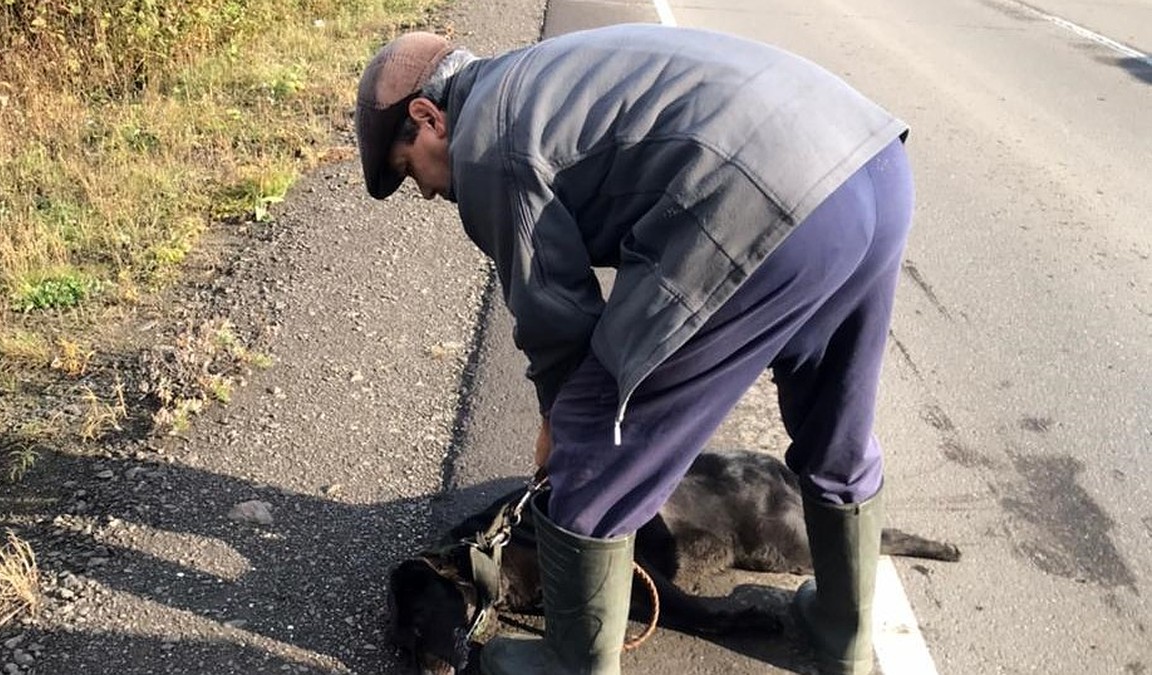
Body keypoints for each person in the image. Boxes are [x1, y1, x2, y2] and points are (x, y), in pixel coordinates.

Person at [355, 23, 914, 675]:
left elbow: (557, 322)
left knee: (593, 438)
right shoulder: (534, 78)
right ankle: (840, 629)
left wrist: (561, 434)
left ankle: (571, 661)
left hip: (768, 198)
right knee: (833, 413)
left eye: (408, 169)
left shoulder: (484, 144)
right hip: (870, 162)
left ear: (427, 117)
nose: (424, 191)